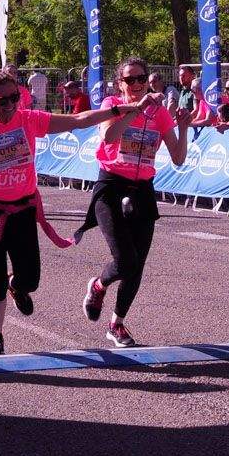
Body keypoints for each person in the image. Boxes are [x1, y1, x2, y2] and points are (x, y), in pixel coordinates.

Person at [0, 45, 136, 356]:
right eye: (5, 100)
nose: (12, 104)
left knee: (31, 279)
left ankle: (18, 286)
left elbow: (79, 119)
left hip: (23, 209)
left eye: (16, 97)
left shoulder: (29, 119)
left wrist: (121, 110)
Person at [78, 58, 192, 348]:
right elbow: (108, 136)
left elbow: (178, 158)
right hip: (111, 186)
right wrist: (137, 110)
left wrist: (184, 127)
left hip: (142, 189)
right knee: (125, 259)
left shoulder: (159, 113)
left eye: (142, 78)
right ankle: (98, 285)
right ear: (121, 84)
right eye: (131, 80)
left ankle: (117, 323)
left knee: (137, 265)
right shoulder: (111, 104)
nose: (138, 84)